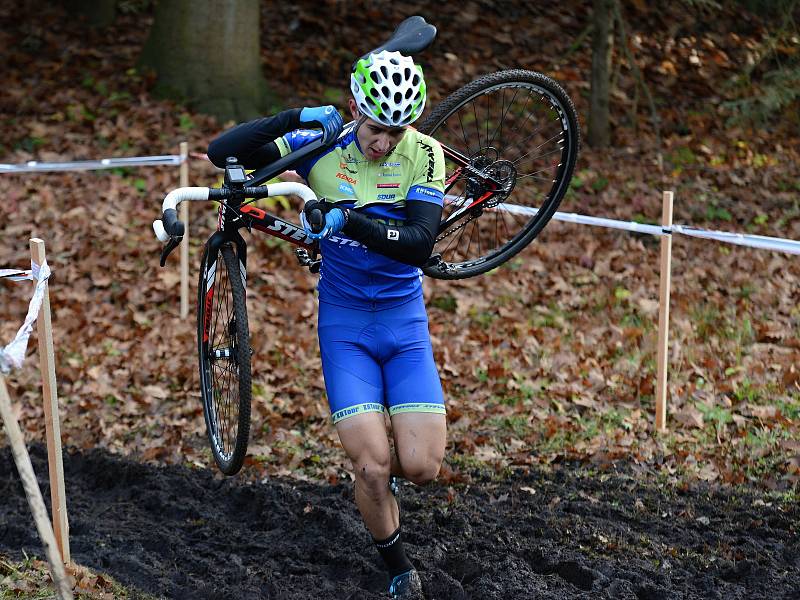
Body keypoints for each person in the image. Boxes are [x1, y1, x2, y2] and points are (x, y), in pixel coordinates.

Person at [207, 50, 446, 599]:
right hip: (345, 326)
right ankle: (400, 571)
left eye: (394, 130)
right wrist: (294, 118)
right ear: (356, 110)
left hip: (403, 322)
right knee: (371, 468)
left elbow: (418, 243)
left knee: (422, 466)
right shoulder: (324, 145)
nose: (382, 142)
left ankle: (397, 490)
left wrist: (348, 219)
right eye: (373, 128)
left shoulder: (423, 154)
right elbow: (223, 153)